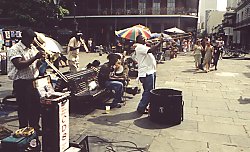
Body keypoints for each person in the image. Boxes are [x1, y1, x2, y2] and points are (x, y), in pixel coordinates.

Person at [7, 28, 45, 132]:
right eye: (30, 39)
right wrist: (35, 57)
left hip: (33, 81)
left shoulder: (32, 48)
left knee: (36, 106)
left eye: (33, 39)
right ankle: (24, 130)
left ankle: (35, 127)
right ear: (23, 38)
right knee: (24, 108)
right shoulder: (15, 49)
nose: (32, 42)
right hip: (22, 83)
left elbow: (34, 64)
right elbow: (19, 65)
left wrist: (41, 61)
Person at [134, 34, 163, 114]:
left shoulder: (144, 46)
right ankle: (141, 107)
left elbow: (153, 49)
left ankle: (145, 106)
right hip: (146, 72)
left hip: (150, 71)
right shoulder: (139, 47)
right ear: (138, 40)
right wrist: (160, 42)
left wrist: (153, 43)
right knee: (148, 91)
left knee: (150, 90)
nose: (145, 39)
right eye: (142, 38)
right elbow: (151, 50)